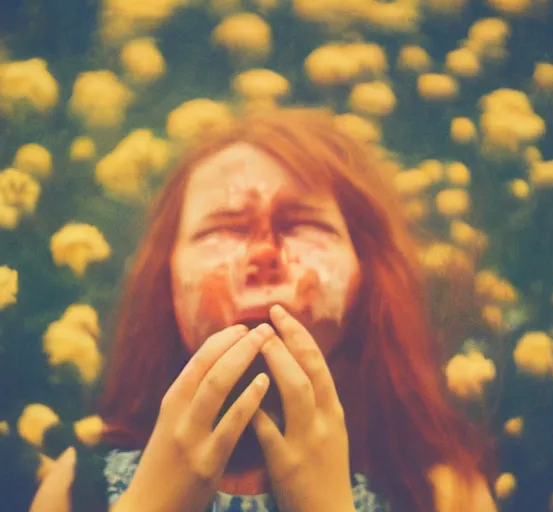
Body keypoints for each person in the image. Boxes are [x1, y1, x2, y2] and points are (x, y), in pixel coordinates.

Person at [30, 107, 498, 512]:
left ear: (367, 271)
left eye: (303, 224)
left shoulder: (443, 494)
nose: (264, 255)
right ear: (165, 278)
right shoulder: (77, 489)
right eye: (225, 228)